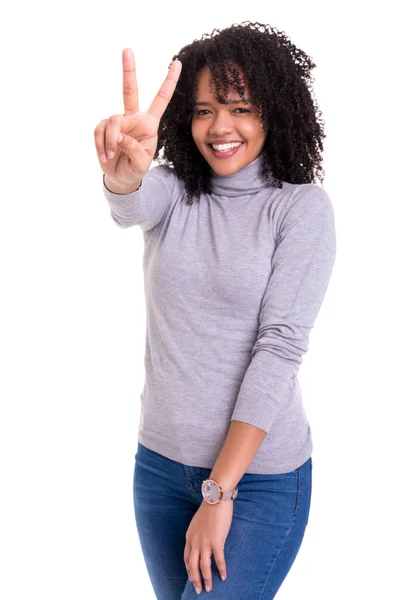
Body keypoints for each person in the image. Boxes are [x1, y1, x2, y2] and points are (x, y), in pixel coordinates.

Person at [94, 21, 336, 600]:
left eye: (240, 107)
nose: (220, 127)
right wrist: (121, 175)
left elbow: (278, 350)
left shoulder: (300, 210)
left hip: (257, 483)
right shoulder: (175, 194)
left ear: (274, 112)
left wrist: (220, 492)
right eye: (203, 111)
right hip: (158, 471)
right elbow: (131, 203)